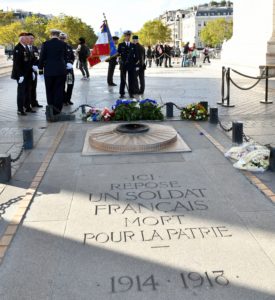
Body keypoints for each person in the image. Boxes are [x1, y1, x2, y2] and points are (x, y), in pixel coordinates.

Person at [38, 29, 69, 115]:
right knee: (59, 90)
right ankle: (57, 110)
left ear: (51, 35)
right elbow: (66, 57)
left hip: (49, 71)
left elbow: (42, 57)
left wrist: (40, 71)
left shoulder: (45, 44)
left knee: (49, 90)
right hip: (60, 71)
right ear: (58, 35)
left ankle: (50, 109)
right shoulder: (63, 44)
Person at [11, 32, 34, 115]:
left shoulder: (25, 47)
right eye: (25, 38)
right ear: (21, 39)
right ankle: (20, 109)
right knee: (21, 92)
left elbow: (28, 61)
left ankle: (27, 107)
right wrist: (20, 75)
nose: (28, 39)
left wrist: (32, 71)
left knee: (27, 91)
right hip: (21, 75)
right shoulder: (18, 48)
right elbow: (17, 63)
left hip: (27, 74)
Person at [117, 30, 138, 98]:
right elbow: (118, 55)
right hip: (123, 64)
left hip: (131, 65)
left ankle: (131, 92)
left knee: (131, 79)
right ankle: (122, 93)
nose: (128, 37)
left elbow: (136, 56)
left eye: (129, 36)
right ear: (125, 36)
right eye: (127, 36)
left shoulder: (133, 45)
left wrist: (133, 62)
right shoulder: (121, 45)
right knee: (122, 79)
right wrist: (119, 60)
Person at [27, 33, 43, 109]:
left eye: (33, 38)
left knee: (34, 87)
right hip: (27, 72)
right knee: (28, 88)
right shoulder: (24, 48)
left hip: (34, 71)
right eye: (30, 38)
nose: (32, 40)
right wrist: (31, 67)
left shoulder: (34, 48)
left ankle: (34, 102)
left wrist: (38, 68)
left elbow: (37, 59)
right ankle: (27, 104)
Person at [59, 32, 75, 106]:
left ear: (66, 38)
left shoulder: (68, 46)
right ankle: (63, 99)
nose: (62, 39)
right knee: (61, 86)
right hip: (61, 70)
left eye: (64, 38)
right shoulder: (57, 46)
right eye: (61, 38)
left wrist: (71, 63)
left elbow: (72, 57)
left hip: (69, 70)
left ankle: (68, 99)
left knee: (70, 84)